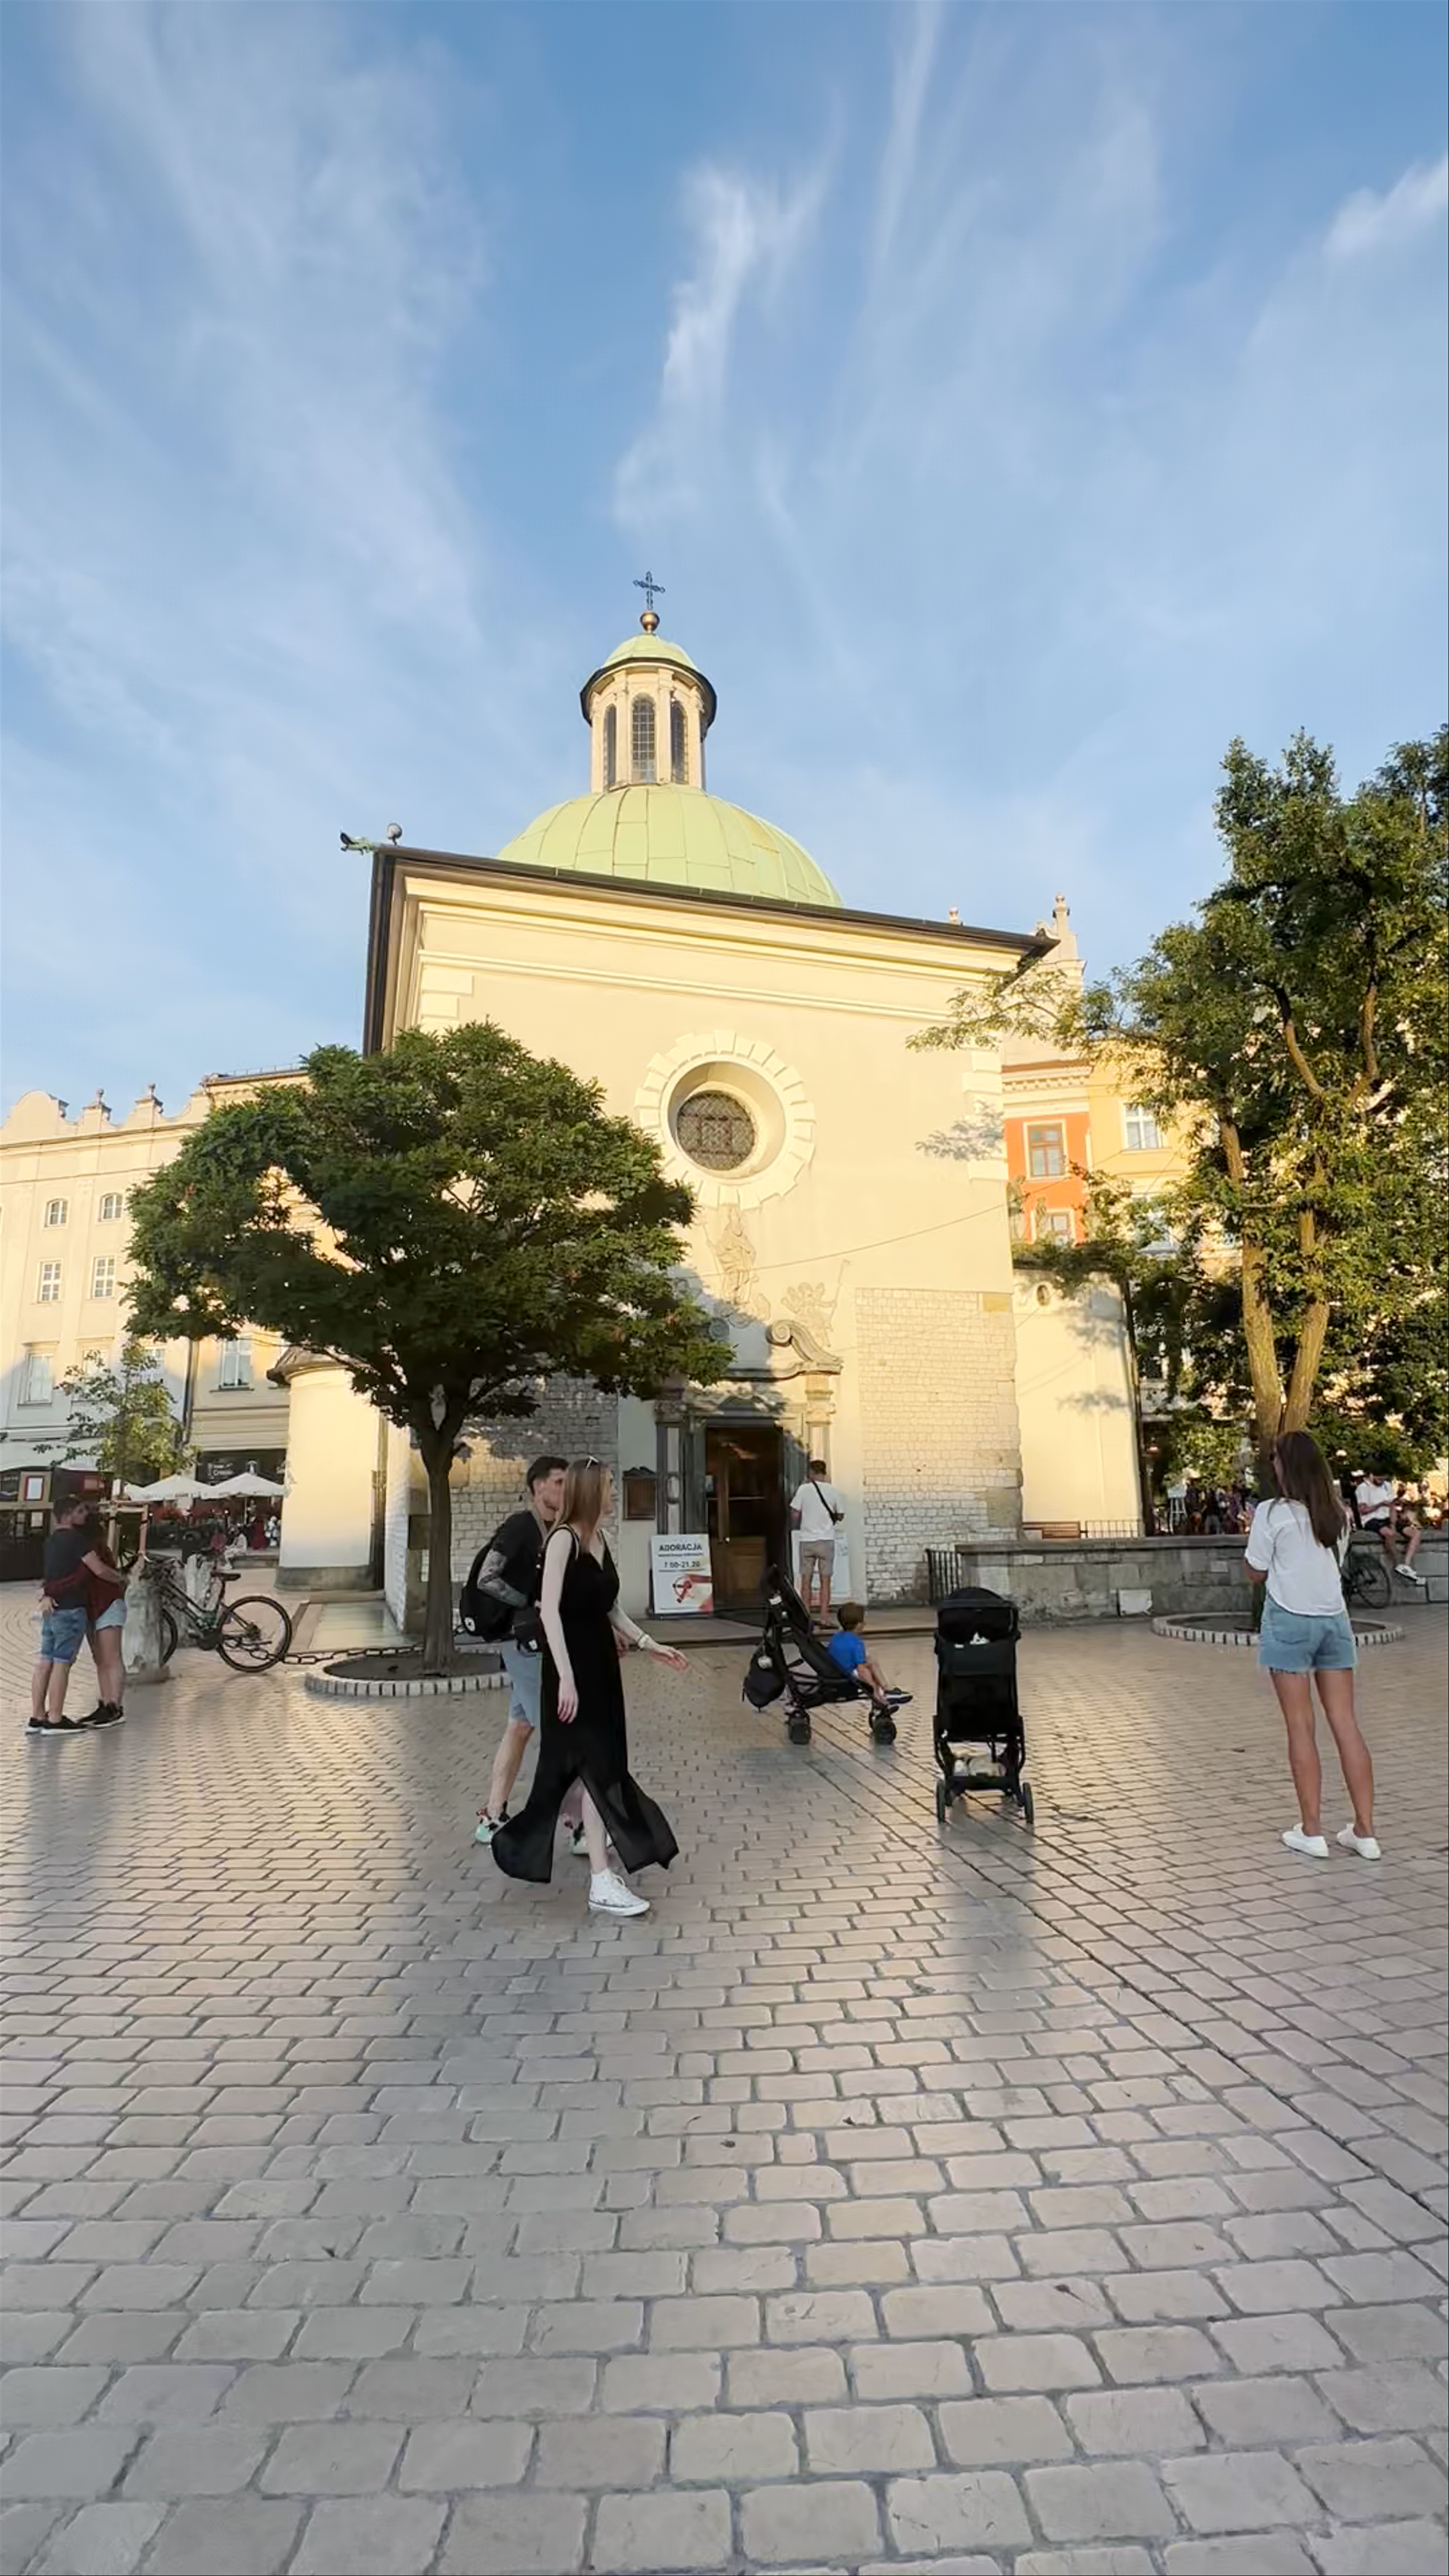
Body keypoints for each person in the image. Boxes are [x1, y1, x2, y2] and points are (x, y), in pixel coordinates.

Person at [492, 1459, 687, 1917]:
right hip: (572, 1671)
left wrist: (649, 1643)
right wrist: (565, 1677)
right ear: (591, 1491)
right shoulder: (563, 1540)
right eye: (609, 1487)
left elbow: (610, 1606)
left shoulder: (599, 1539)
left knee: (602, 1768)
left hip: (602, 1670)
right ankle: (600, 1877)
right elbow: (549, 1611)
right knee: (594, 1769)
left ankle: (599, 1873)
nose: (614, 1494)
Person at [1246, 1429, 1378, 1862]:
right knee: (1345, 1722)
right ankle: (1365, 1831)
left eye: (1275, 1458)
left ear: (1287, 1465)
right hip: (1334, 1621)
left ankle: (1312, 1830)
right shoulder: (1337, 1512)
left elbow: (1255, 1571)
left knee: (1301, 1726)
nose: (1273, 1464)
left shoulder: (1272, 1512)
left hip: (1290, 1619)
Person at [469, 1458, 568, 1845]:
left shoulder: (554, 1530)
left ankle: (493, 1816)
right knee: (558, 1733)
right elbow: (487, 1577)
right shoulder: (521, 1526)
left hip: (534, 1640)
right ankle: (579, 1822)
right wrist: (529, 1601)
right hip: (523, 1642)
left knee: (521, 1726)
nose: (565, 1489)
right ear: (538, 1487)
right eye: (559, 1482)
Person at [29, 1500, 124, 1737]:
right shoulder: (78, 1542)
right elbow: (94, 1572)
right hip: (76, 1607)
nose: (85, 1515)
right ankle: (56, 1718)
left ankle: (39, 1716)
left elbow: (54, 1575)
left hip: (76, 1607)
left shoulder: (52, 1541)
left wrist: (47, 1592)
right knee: (66, 1662)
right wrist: (123, 1578)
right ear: (69, 1515)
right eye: (80, 1511)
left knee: (48, 1661)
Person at [80, 1513, 129, 1729]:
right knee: (101, 1659)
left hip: (107, 1604)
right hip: (95, 1606)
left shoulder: (93, 1549)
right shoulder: (92, 1547)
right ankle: (106, 1702)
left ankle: (115, 1706)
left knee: (111, 1657)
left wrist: (120, 1579)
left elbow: (101, 1571)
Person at [826, 1603, 912, 1718]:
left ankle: (885, 1692)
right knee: (869, 1666)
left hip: (835, 1671)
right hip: (848, 1675)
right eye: (863, 1621)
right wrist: (872, 1687)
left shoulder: (836, 1638)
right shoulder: (857, 1643)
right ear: (858, 1625)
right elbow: (861, 1670)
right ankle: (883, 1693)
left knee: (869, 1661)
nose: (865, 1624)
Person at [790, 1457, 845, 1618]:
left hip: (807, 1540)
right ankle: (824, 1617)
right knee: (825, 1582)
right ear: (825, 1473)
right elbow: (841, 1515)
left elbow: (795, 1513)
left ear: (811, 1472)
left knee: (806, 1580)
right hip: (826, 1541)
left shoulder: (803, 1489)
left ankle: (806, 1616)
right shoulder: (833, 1490)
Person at [1356, 1468, 1426, 1587]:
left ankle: (1406, 1565)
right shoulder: (1363, 1488)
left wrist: (1394, 1524)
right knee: (1389, 1534)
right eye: (1379, 1478)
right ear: (1372, 1475)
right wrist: (1380, 1505)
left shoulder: (1387, 1486)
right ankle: (1398, 1564)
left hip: (1388, 1517)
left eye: (1383, 1478)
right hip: (1372, 1520)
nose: (1381, 1480)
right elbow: (1363, 1510)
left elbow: (1392, 1506)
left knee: (1416, 1534)